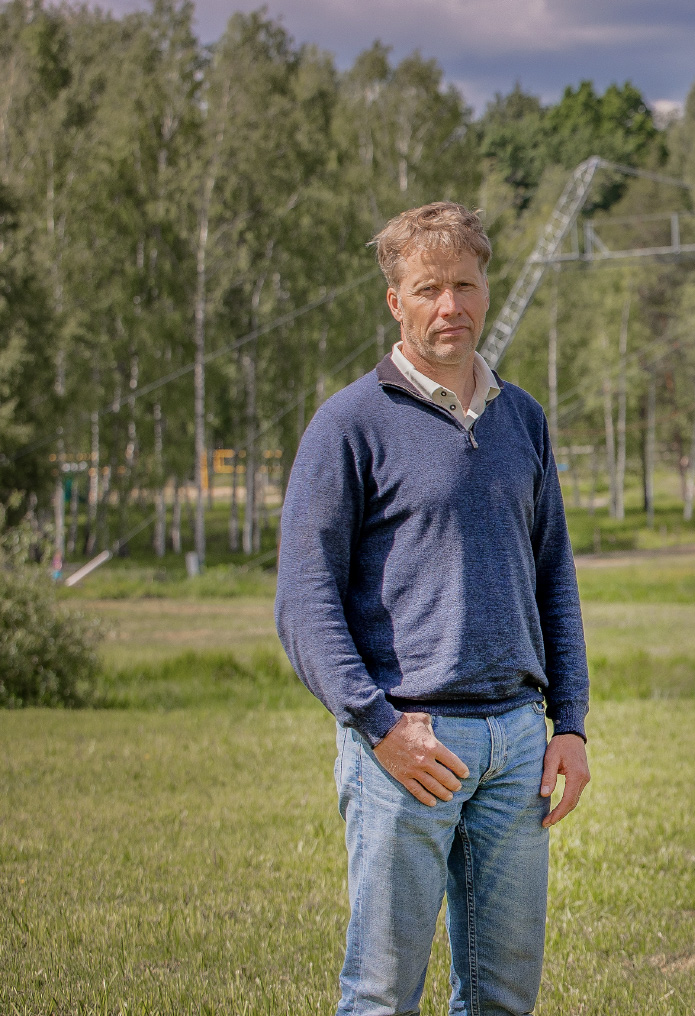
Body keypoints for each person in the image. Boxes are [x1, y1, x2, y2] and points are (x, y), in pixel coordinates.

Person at [275, 201, 590, 1015]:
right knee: (382, 995)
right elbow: (304, 601)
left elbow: (553, 578)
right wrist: (378, 725)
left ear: (487, 290)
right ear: (395, 302)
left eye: (464, 284)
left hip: (517, 746)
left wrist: (570, 726)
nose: (449, 306)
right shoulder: (350, 423)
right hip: (407, 747)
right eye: (426, 289)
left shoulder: (522, 419)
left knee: (503, 997)